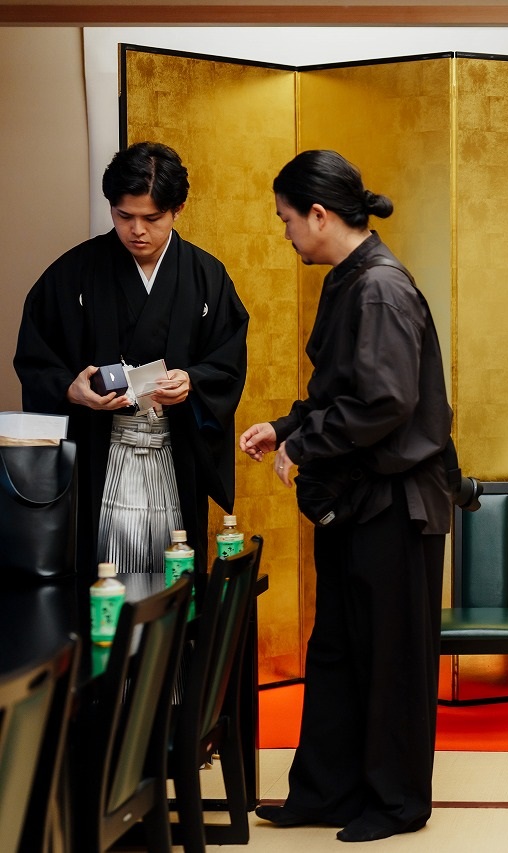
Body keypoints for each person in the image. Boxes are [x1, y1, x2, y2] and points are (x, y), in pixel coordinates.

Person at [239, 150, 452, 843]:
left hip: (395, 504)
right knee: (337, 648)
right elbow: (339, 392)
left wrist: (305, 444)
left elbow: (386, 402)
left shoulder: (381, 287)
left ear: (320, 215)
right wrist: (288, 424)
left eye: (287, 220)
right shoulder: (347, 279)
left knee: (390, 656)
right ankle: (328, 789)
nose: (286, 233)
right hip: (359, 499)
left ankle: (395, 802)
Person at [14, 141, 249, 577]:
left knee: (175, 573)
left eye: (152, 218)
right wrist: (72, 389)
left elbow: (227, 361)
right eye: (124, 216)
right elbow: (35, 356)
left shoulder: (206, 276)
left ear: (178, 208)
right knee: (101, 572)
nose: (136, 230)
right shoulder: (74, 273)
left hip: (171, 447)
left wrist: (192, 381)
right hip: (99, 451)